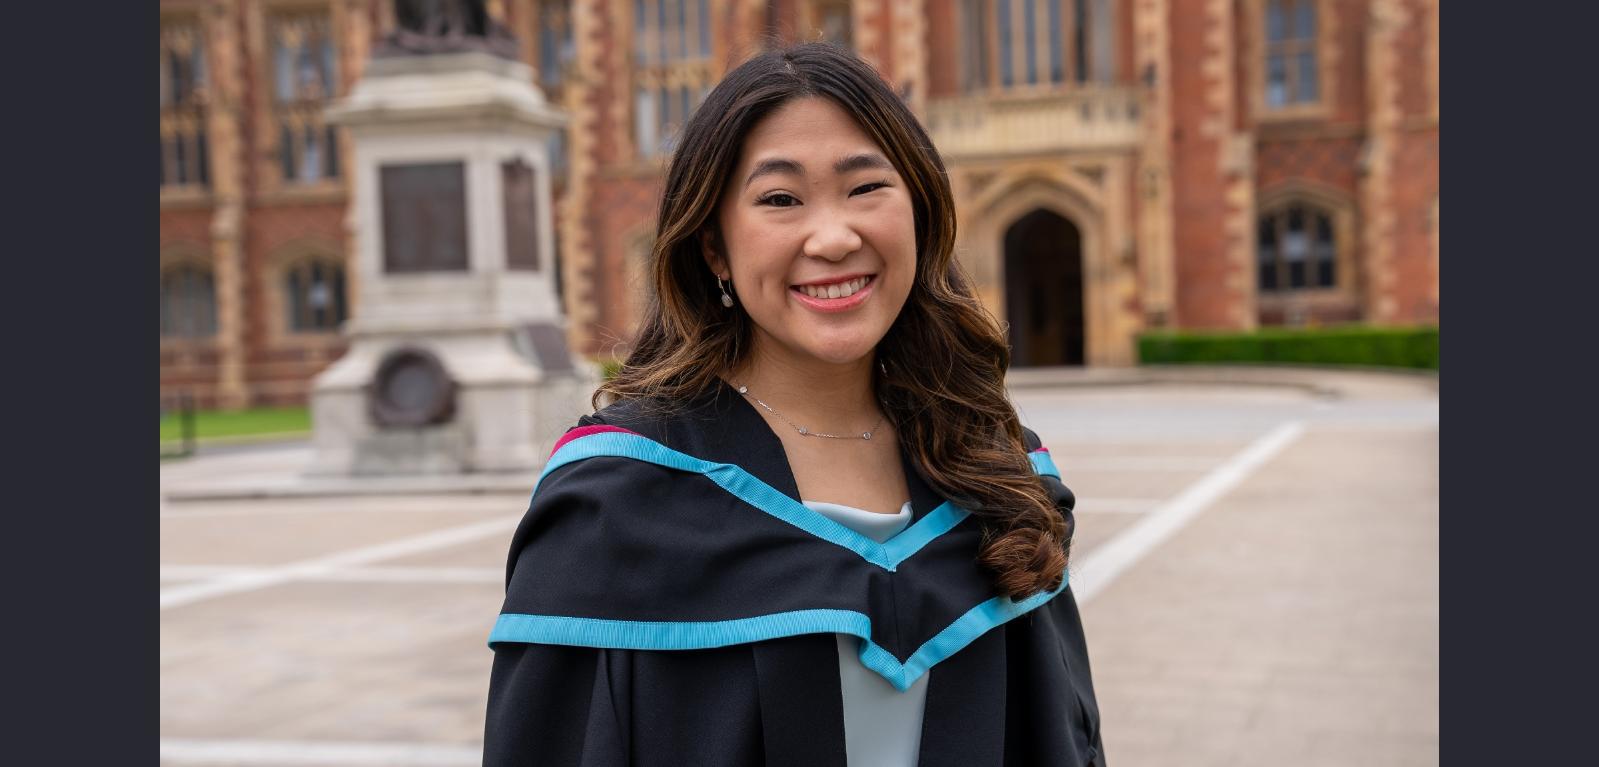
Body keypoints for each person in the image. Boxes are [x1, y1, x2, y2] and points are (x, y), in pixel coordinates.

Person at [484, 41, 1104, 766]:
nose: (834, 237)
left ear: (921, 212)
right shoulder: (616, 500)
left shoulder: (995, 469)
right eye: (779, 199)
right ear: (714, 246)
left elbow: (1066, 737)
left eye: (866, 187)